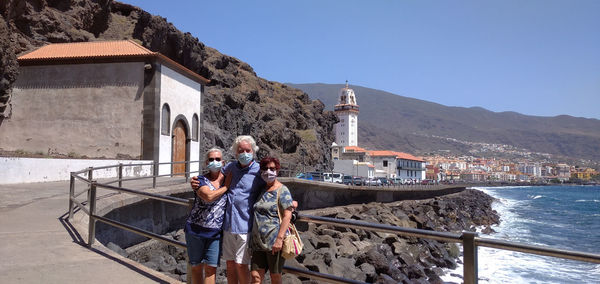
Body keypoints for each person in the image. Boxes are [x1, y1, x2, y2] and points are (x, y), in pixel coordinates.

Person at [185, 148, 229, 284]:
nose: (214, 162)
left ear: (223, 162)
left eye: (217, 159)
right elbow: (208, 196)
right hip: (195, 230)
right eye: (211, 159)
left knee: (211, 269)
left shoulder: (229, 178)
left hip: (215, 233)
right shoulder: (200, 180)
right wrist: (226, 187)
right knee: (196, 267)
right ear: (206, 163)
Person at [250, 157, 294, 284]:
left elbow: (287, 215)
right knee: (255, 277)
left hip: (274, 243)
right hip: (258, 243)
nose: (268, 171)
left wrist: (279, 239)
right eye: (265, 168)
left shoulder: (282, 190)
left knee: (275, 278)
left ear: (277, 171)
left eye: (272, 169)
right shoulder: (262, 189)